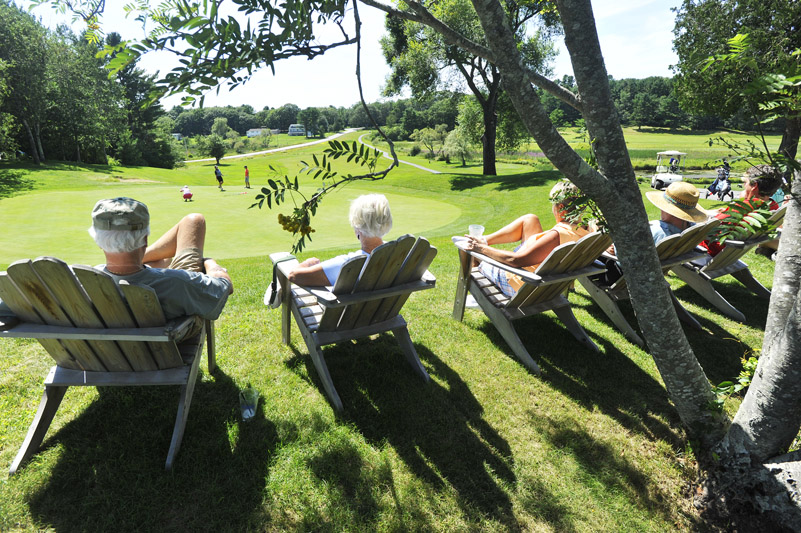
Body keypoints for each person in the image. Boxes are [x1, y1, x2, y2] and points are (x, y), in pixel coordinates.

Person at [88, 197, 233, 331]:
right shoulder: (178, 282)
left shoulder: (81, 283)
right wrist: (210, 263)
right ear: (145, 240)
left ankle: (137, 259)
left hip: (107, 355)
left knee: (161, 261)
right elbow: (224, 287)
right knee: (195, 221)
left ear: (99, 242)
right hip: (164, 347)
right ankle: (138, 258)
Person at [463, 180, 592, 297]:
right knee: (530, 219)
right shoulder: (586, 230)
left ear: (561, 209)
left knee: (471, 251)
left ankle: (479, 298)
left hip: (520, 283)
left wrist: (480, 248)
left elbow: (515, 260)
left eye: (554, 204)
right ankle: (484, 239)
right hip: (544, 279)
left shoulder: (557, 235)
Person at [287, 194, 392, 286]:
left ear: (357, 225)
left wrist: (308, 263)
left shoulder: (347, 264)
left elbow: (293, 275)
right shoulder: (398, 254)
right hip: (385, 308)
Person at [701, 165, 782, 257]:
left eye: (745, 182)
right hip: (730, 254)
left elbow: (710, 225)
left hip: (707, 251)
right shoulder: (772, 206)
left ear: (754, 186)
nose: (744, 185)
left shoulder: (743, 207)